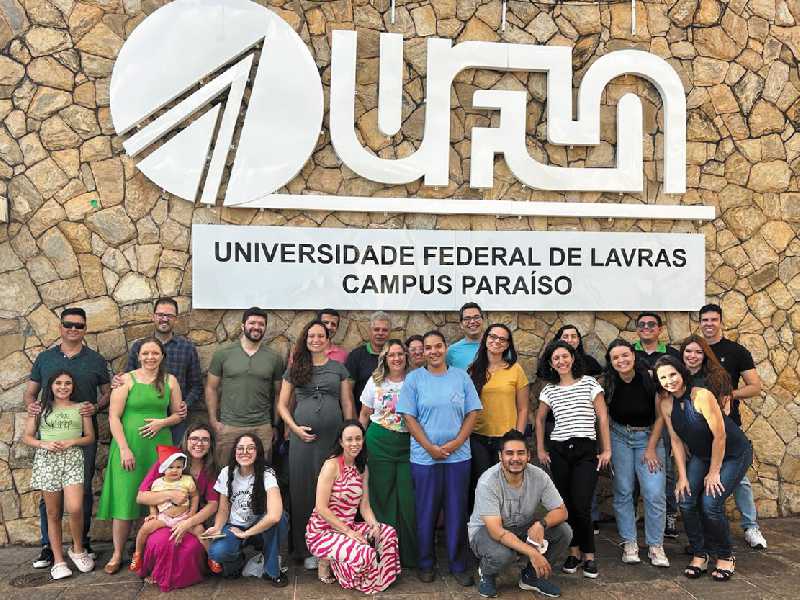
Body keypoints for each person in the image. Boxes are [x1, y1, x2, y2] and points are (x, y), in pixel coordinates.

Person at [24, 307, 110, 568]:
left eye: (79, 325)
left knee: (81, 492)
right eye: (69, 324)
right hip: (50, 437)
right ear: (61, 327)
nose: (73, 329)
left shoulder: (95, 360)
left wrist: (96, 407)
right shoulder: (44, 358)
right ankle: (48, 547)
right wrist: (31, 406)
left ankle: (80, 543)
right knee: (49, 495)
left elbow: (106, 393)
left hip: (82, 436)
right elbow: (31, 393)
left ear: (85, 329)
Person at [654, 356, 752, 582]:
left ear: (682, 373)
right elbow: (676, 441)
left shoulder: (701, 396)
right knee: (686, 499)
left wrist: (714, 472)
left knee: (711, 503)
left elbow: (720, 436)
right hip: (702, 455)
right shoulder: (666, 403)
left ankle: (726, 555)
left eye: (673, 374)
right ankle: (701, 553)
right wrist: (682, 477)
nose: (670, 381)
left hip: (733, 454)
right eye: (663, 377)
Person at [397, 330, 482, 586]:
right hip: (425, 458)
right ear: (422, 352)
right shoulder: (414, 380)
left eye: (438, 346)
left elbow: (472, 413)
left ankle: (458, 564)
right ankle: (426, 562)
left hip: (458, 457)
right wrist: (430, 447)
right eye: (428, 348)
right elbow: (408, 418)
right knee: (425, 512)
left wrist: (457, 442)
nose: (433, 351)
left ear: (446, 348)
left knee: (457, 512)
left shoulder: (461, 377)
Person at [96, 337, 184, 574]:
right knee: (125, 500)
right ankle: (116, 554)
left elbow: (178, 415)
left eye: (155, 353)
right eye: (145, 353)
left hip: (159, 448)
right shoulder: (126, 380)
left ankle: (151, 552)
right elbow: (114, 417)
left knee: (158, 500)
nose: (150, 357)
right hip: (129, 448)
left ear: (162, 356)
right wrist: (124, 448)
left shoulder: (170, 381)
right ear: (138, 355)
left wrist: (162, 422)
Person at [277, 320, 355, 569]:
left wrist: (349, 435)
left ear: (328, 340)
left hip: (332, 440)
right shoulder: (295, 369)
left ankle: (330, 547)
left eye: (320, 336)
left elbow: (347, 404)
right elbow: (282, 405)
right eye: (311, 336)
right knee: (302, 492)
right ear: (305, 339)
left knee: (332, 494)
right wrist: (294, 428)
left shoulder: (338, 369)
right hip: (303, 440)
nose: (316, 340)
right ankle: (305, 549)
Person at [535, 340, 611, 579]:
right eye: (555, 358)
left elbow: (602, 417)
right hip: (559, 451)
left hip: (585, 450)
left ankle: (589, 556)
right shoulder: (548, 389)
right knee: (565, 506)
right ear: (551, 363)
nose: (561, 361)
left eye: (564, 356)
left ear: (573, 358)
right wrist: (540, 449)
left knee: (582, 505)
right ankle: (574, 553)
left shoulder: (589, 383)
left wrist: (606, 449)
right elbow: (538, 420)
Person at [469, 430, 571, 599]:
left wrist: (541, 524)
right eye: (509, 453)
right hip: (486, 532)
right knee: (502, 555)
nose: (515, 458)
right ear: (500, 456)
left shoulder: (539, 476)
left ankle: (531, 577)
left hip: (522, 527)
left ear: (528, 456)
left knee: (564, 532)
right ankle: (486, 574)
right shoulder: (488, 481)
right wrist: (533, 553)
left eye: (520, 453)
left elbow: (562, 511)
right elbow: (496, 532)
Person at [699, 303, 767, 549]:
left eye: (713, 319)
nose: (709, 324)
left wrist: (731, 394)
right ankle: (706, 531)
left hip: (729, 424)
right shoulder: (696, 350)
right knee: (701, 476)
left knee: (740, 480)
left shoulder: (736, 351)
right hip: (698, 426)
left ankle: (751, 527)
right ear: (700, 322)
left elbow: (755, 386)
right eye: (705, 320)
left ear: (721, 321)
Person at [306, 420, 401, 593]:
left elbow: (364, 506)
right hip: (323, 531)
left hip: (349, 527)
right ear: (341, 442)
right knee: (365, 554)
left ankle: (373, 576)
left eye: (358, 438)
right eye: (349, 439)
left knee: (388, 533)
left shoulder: (362, 468)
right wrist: (349, 533)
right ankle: (331, 563)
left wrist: (374, 525)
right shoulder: (331, 465)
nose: (354, 443)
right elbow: (321, 507)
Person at [22, 370, 96, 580]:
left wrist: (73, 441)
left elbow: (90, 437)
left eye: (68, 384)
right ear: (50, 386)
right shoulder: (40, 409)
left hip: (72, 459)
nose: (63, 387)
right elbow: (27, 437)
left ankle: (78, 549)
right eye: (58, 383)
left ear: (73, 387)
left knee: (75, 507)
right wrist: (43, 443)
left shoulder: (81, 408)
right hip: (48, 460)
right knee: (53, 513)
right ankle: (58, 559)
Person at [603, 339, 669, 567]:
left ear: (633, 354)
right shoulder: (609, 382)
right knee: (623, 491)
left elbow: (661, 416)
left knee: (654, 492)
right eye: (615, 358)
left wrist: (651, 448)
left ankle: (655, 545)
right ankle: (629, 542)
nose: (621, 360)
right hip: (620, 437)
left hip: (650, 437)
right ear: (611, 362)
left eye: (625, 355)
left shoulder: (650, 378)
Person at [136, 424, 220, 592]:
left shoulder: (211, 469)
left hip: (191, 517)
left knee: (190, 548)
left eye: (205, 439)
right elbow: (142, 496)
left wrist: (189, 522)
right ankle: (149, 567)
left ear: (211, 444)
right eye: (194, 438)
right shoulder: (169, 460)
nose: (199, 443)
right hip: (163, 517)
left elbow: (213, 504)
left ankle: (211, 561)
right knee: (162, 543)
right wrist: (170, 495)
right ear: (186, 440)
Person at [358, 339, 417, 567]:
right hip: (379, 442)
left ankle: (409, 555)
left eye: (400, 354)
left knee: (408, 499)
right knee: (381, 498)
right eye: (391, 355)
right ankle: (384, 553)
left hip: (408, 444)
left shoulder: (415, 380)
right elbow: (364, 414)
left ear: (406, 356)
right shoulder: (375, 381)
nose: (396, 358)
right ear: (384, 358)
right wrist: (359, 444)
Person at [205, 434, 288, 586]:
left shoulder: (267, 473)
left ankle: (272, 571)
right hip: (235, 526)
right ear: (234, 451)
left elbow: (274, 516)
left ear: (258, 452)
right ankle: (238, 561)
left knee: (281, 519)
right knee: (218, 552)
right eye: (240, 448)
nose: (245, 452)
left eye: (251, 448)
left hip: (260, 525)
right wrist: (217, 528)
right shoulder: (227, 472)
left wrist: (247, 534)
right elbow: (223, 510)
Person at [206, 307, 285, 463]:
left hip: (262, 426)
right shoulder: (223, 354)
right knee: (225, 471)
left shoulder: (274, 358)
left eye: (261, 324)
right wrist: (213, 420)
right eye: (252, 323)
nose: (256, 327)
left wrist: (275, 424)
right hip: (229, 426)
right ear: (243, 326)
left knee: (261, 473)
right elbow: (211, 388)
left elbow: (278, 393)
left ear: (265, 328)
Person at [124, 297, 202, 445]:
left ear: (176, 319)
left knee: (171, 464)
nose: (164, 319)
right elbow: (129, 379)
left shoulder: (187, 348)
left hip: (174, 419)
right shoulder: (139, 347)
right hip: (144, 420)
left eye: (169, 316)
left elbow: (197, 385)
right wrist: (117, 381)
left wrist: (186, 403)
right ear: (153, 317)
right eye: (160, 315)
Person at [633, 312, 680, 538]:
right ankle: (632, 513)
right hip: (634, 423)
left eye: (652, 324)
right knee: (631, 474)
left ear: (659, 329)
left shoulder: (671, 354)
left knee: (667, 470)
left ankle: (670, 515)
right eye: (642, 325)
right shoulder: (629, 352)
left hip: (666, 421)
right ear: (637, 329)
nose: (647, 327)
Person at [467, 324, 529, 483]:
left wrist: (518, 438)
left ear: (508, 344)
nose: (497, 341)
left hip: (506, 439)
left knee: (505, 484)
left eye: (502, 339)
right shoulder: (473, 370)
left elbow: (523, 409)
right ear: (486, 339)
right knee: (481, 484)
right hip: (478, 437)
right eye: (493, 336)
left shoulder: (515, 370)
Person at [131, 451, 198, 572]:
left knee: (200, 530)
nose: (174, 470)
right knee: (145, 529)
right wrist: (153, 514)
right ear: (163, 468)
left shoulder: (187, 480)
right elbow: (152, 500)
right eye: (170, 467)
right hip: (164, 517)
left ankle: (211, 556)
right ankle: (138, 554)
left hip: (183, 517)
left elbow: (194, 496)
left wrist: (192, 512)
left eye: (178, 467)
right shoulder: (157, 483)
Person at [346, 311, 391, 413]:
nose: (380, 333)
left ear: (389, 333)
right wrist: (353, 420)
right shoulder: (356, 356)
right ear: (370, 331)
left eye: (384, 330)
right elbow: (348, 391)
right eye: (376, 329)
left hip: (390, 420)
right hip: (363, 416)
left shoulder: (395, 356)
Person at [446, 302, 484, 370]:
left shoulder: (495, 346)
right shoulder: (451, 352)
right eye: (467, 318)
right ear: (461, 325)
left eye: (476, 317)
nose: (472, 321)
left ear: (482, 320)